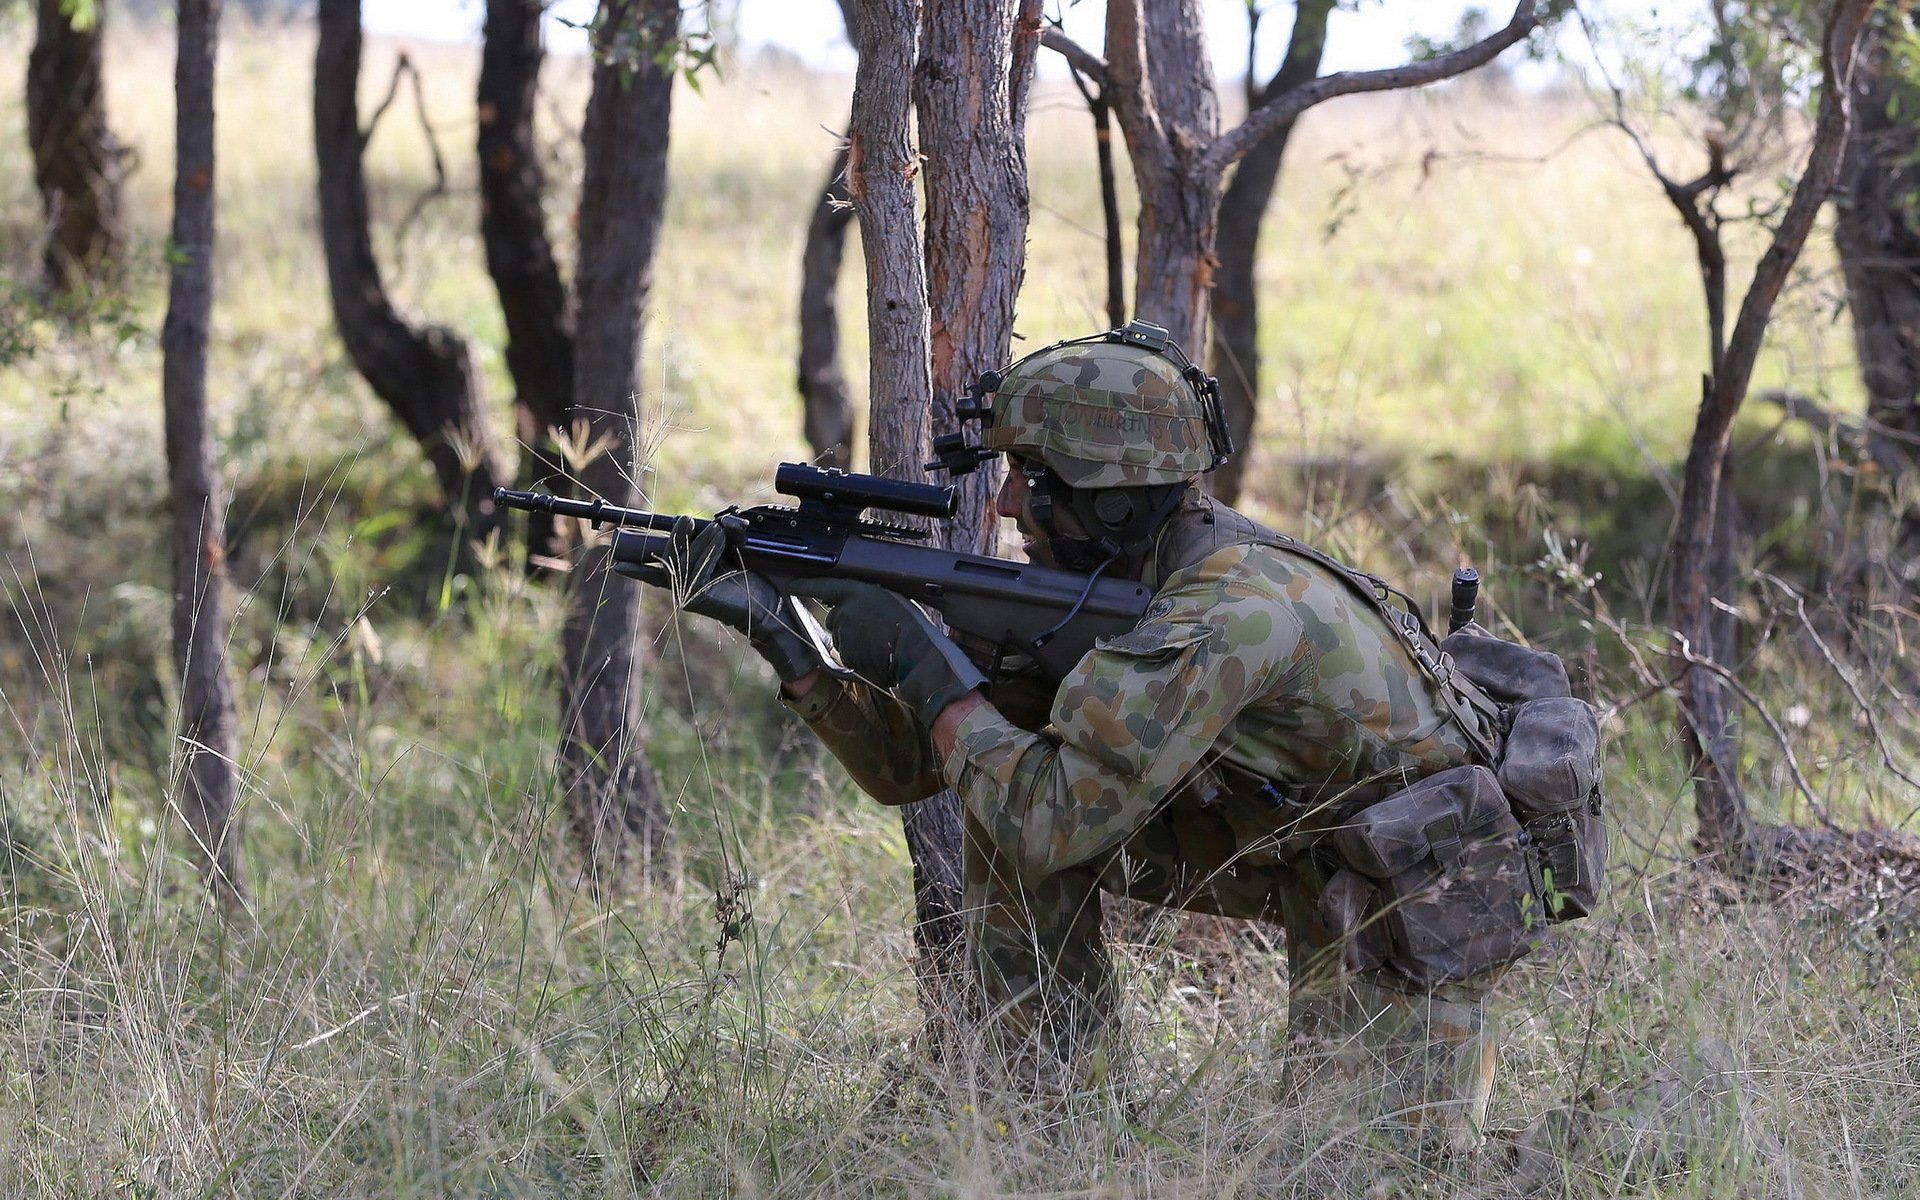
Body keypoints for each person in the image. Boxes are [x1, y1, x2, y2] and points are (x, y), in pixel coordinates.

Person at [660, 323, 1541, 1152]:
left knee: (1349, 1165)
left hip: (1417, 887)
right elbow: (914, 767)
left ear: (1110, 496)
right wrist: (792, 648)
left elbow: (1044, 817)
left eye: (1031, 477)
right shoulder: (1122, 572)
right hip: (1296, 840)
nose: (1005, 503)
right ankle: (1046, 1108)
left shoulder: (1225, 611)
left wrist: (928, 670)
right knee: (1001, 781)